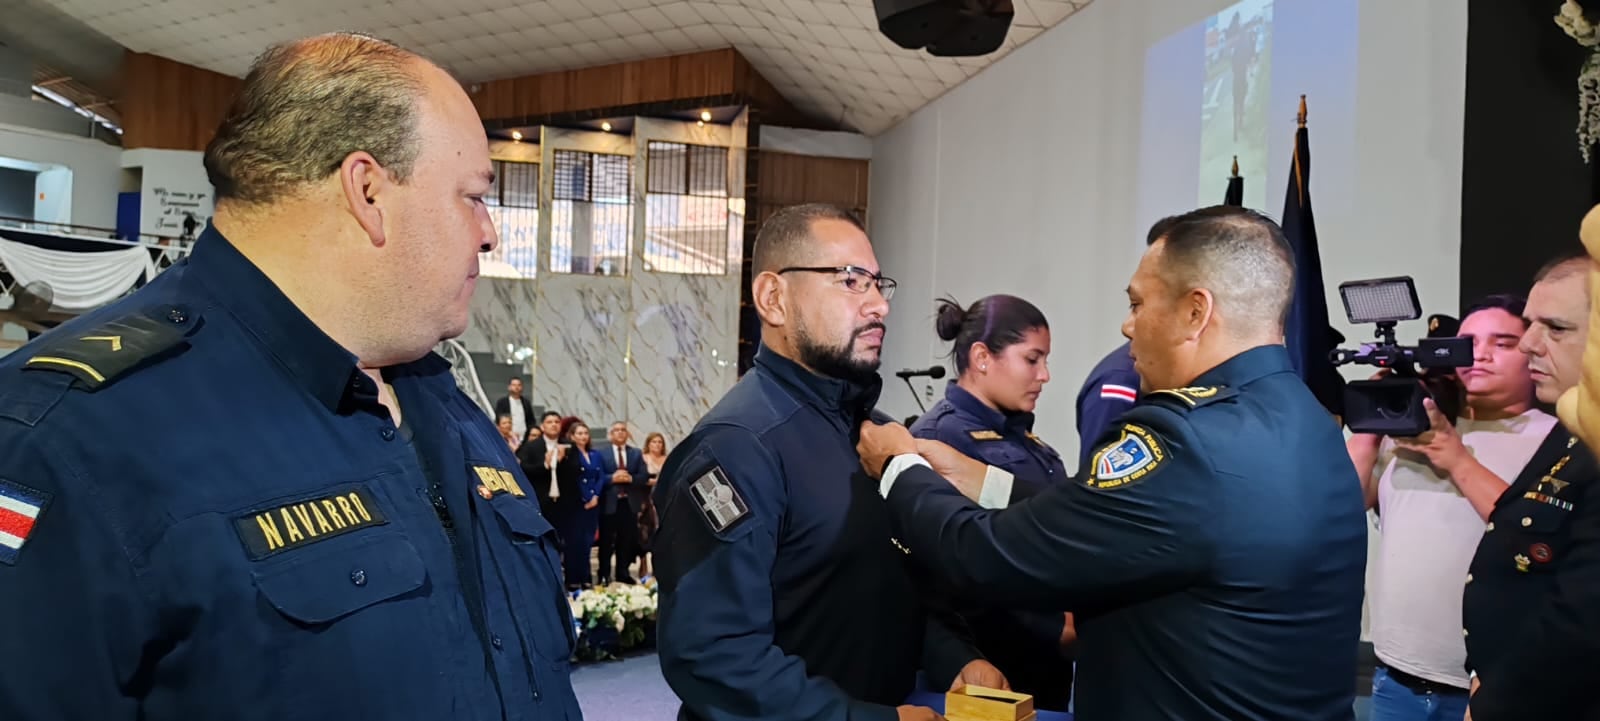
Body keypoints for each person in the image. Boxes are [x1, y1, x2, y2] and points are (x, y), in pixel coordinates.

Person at [0, 32, 580, 720]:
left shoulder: (442, 400)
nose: (489, 233)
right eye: (474, 196)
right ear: (367, 191)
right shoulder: (69, 438)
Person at [857, 205, 1367, 721]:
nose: (1127, 325)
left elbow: (986, 556)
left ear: (1196, 312)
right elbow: (1131, 518)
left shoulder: (1185, 439)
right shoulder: (1309, 420)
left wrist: (899, 465)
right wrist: (982, 481)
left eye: (1138, 302)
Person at [653, 203, 1001, 721]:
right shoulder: (738, 447)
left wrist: (953, 658)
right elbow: (716, 655)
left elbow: (885, 587)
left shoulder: (872, 431)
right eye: (851, 281)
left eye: (879, 284)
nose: (879, 305)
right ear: (774, 298)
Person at [1344, 295, 1553, 721]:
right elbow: (1341, 506)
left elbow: (1532, 535)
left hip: (1489, 688)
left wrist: (1456, 458)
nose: (1480, 354)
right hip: (1393, 680)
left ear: (1532, 350)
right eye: (1468, 342)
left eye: (1504, 342)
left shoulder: (1556, 440)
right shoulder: (1419, 428)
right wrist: (1370, 418)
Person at [910, 294, 1075, 710]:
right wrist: (1053, 625)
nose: (1045, 375)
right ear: (982, 357)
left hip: (1045, 659)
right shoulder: (940, 439)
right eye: (1032, 359)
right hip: (986, 661)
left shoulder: (1028, 440)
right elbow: (953, 562)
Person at [1463, 252, 1600, 721]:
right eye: (1529, 324)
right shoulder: (1572, 421)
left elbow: (1584, 621)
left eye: (1555, 328)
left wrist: (1496, 704)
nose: (1528, 345)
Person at [555, 417, 604, 590]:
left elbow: (601, 476)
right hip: (577, 504)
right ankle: (573, 578)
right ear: (572, 436)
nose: (583, 436)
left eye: (585, 433)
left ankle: (586, 577)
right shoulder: (570, 454)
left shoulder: (595, 455)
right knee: (574, 542)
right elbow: (572, 479)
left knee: (587, 542)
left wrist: (595, 496)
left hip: (593, 503)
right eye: (579, 433)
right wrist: (585, 498)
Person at [598, 421, 648, 584]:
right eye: (616, 430)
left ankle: (623, 573)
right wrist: (611, 478)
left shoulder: (635, 453)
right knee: (606, 541)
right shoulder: (601, 454)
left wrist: (631, 478)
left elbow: (644, 476)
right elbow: (597, 477)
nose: (620, 433)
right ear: (611, 435)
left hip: (629, 503)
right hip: (609, 503)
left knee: (626, 540)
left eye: (623, 430)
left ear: (627, 434)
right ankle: (604, 574)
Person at [638, 432, 669, 578]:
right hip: (646, 500)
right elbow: (640, 478)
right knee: (645, 533)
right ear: (648, 444)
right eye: (654, 442)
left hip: (662, 500)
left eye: (659, 442)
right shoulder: (643, 458)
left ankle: (659, 566)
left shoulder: (667, 459)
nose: (657, 445)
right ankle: (643, 562)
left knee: (661, 532)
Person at [496, 376, 535, 441]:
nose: (516, 387)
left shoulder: (526, 403)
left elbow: (531, 420)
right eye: (514, 385)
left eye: (519, 385)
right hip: (508, 437)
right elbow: (499, 419)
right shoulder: (502, 402)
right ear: (509, 387)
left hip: (524, 437)